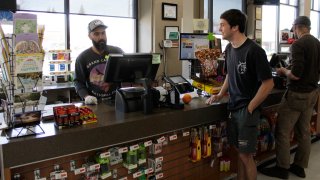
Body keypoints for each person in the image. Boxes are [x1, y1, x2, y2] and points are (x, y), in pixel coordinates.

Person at [206, 9, 274, 180]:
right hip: (233, 107)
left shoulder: (255, 51)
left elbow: (268, 84)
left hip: (246, 110)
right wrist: (220, 94)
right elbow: (230, 74)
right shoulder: (229, 48)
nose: (219, 28)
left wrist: (251, 107)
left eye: (222, 25)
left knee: (246, 156)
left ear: (235, 27)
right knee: (239, 153)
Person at [260, 16, 320, 179]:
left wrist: (283, 71)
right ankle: (299, 166)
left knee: (282, 131)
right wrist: (291, 68)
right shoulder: (316, 43)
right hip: (312, 93)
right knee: (304, 131)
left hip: (297, 95)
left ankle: (282, 167)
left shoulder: (298, 45)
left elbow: (296, 75)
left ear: (296, 27)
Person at [74, 19, 124, 104]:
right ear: (90, 36)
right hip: (94, 103)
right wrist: (86, 96)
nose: (101, 37)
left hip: (116, 101)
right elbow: (78, 81)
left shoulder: (117, 52)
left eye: (103, 33)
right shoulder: (82, 58)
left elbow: (125, 73)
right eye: (96, 34)